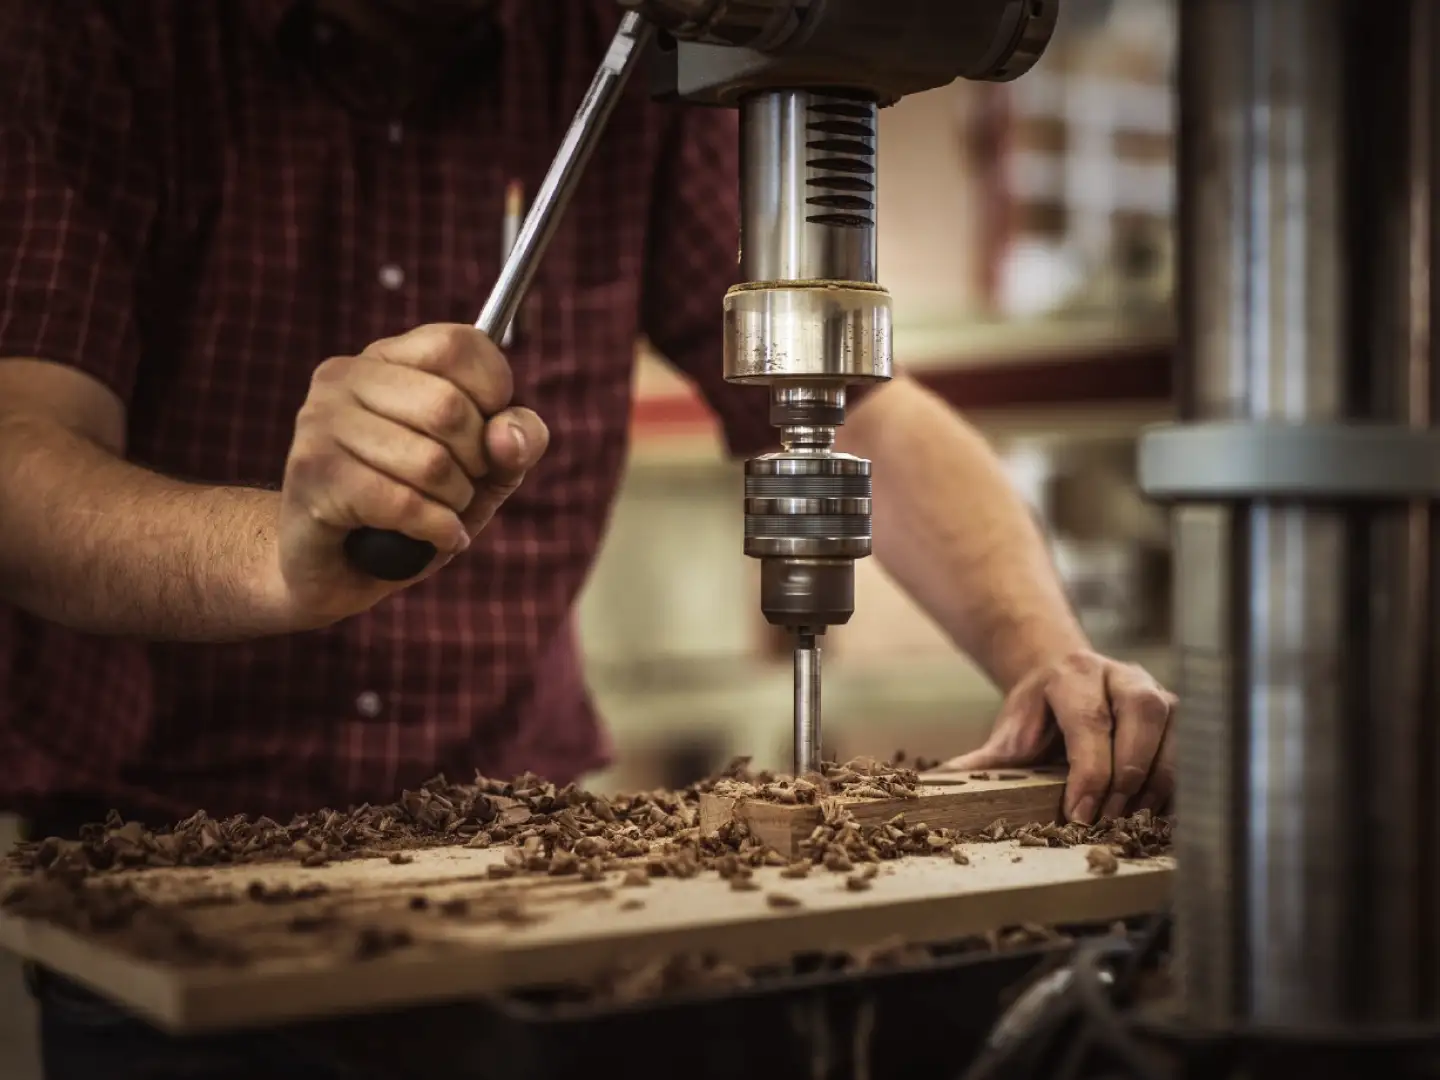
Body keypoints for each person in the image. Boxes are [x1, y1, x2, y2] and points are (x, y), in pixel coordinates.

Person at [0, 2, 1176, 1076]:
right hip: (175, 869)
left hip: (520, 866)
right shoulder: (103, 38)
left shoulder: (619, 37)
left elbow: (860, 409)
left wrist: (1044, 653)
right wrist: (272, 550)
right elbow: (23, 461)